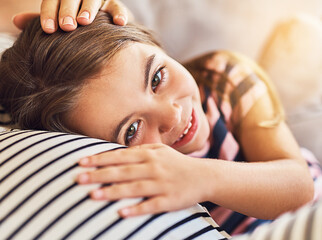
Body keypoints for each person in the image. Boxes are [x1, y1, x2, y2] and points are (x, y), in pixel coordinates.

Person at [1, 5, 321, 237]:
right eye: (133, 129)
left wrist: (200, 175)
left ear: (152, 42)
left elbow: (298, 187)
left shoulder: (227, 78)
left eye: (157, 78)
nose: (173, 116)